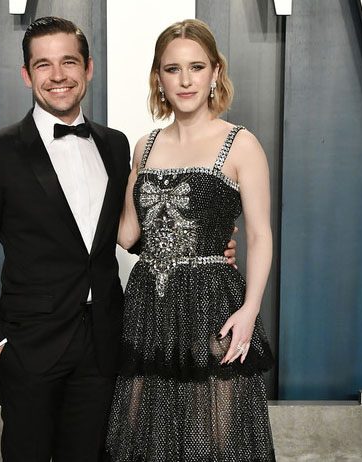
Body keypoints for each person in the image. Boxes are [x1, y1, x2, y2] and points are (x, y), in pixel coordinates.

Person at [0, 16, 236, 462]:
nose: (58, 75)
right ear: (27, 74)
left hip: (105, 345)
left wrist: (200, 246)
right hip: (29, 348)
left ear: (88, 68)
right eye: (43, 65)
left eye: (69, 61)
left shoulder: (115, 144)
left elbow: (128, 232)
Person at [106, 19, 275, 461]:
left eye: (196, 67)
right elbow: (127, 234)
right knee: (143, 435)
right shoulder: (144, 146)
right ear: (158, 77)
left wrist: (250, 310)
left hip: (212, 303)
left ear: (215, 72)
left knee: (216, 437)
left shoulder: (241, 144)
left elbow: (259, 235)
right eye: (172, 69)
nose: (185, 80)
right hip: (149, 304)